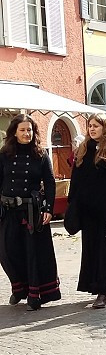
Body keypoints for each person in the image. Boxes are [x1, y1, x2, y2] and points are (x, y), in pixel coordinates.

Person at [67, 113, 106, 309]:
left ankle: (105, 290)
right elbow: (76, 180)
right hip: (88, 212)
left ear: (105, 127)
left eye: (96, 126)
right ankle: (94, 285)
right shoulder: (84, 150)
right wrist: (73, 204)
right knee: (91, 249)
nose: (92, 129)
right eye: (90, 126)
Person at [0, 113, 61, 310]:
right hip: (8, 211)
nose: (27, 133)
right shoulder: (4, 154)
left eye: (29, 130)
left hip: (32, 212)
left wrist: (49, 209)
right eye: (22, 130)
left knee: (33, 253)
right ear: (14, 132)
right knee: (7, 251)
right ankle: (19, 288)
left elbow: (50, 183)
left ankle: (35, 295)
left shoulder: (41, 155)